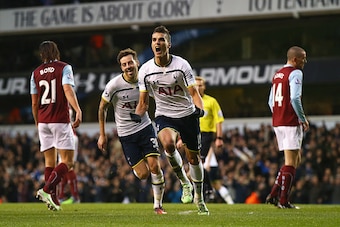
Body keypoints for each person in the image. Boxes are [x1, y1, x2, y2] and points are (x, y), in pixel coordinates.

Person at [133, 25, 209, 215]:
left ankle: (199, 197)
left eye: (161, 39)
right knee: (167, 144)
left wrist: (200, 109)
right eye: (154, 40)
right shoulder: (145, 70)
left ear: (169, 43)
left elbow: (193, 92)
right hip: (164, 115)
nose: (157, 43)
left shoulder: (182, 65)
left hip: (187, 114)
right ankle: (185, 182)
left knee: (193, 157)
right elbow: (143, 102)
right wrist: (135, 117)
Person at [97, 48, 166, 214]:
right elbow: (102, 108)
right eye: (124, 64)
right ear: (121, 67)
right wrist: (102, 134)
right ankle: (137, 166)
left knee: (155, 167)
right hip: (126, 135)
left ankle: (157, 205)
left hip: (145, 128)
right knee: (143, 174)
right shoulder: (114, 85)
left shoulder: (146, 80)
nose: (128, 66)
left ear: (137, 63)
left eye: (130, 63)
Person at [31, 41, 82, 211]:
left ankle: (53, 199)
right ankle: (46, 190)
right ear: (56, 52)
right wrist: (77, 109)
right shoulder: (64, 68)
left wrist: (38, 122)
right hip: (59, 120)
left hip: (43, 121)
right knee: (68, 162)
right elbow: (67, 90)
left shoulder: (35, 73)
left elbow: (34, 103)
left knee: (49, 162)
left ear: (41, 55)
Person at [266, 46, 309, 209]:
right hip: (290, 122)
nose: (305, 61)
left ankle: (274, 193)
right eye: (303, 58)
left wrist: (279, 113)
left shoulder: (277, 74)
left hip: (278, 122)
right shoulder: (296, 73)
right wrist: (302, 118)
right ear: (295, 59)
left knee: (294, 160)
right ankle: (283, 201)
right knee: (291, 162)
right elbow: (295, 98)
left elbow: (270, 102)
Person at [195, 76, 234, 204]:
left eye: (201, 85)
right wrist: (180, 138)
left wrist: (219, 137)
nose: (199, 87)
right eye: (197, 85)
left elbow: (218, 121)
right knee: (194, 165)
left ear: (204, 87)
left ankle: (208, 190)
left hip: (206, 135)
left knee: (199, 162)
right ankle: (205, 191)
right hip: (193, 134)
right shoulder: (190, 101)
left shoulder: (211, 101)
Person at [58, 106, 80, 204]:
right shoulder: (67, 103)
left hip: (66, 137)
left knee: (64, 166)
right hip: (72, 136)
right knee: (67, 167)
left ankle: (65, 196)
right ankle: (66, 195)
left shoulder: (61, 104)